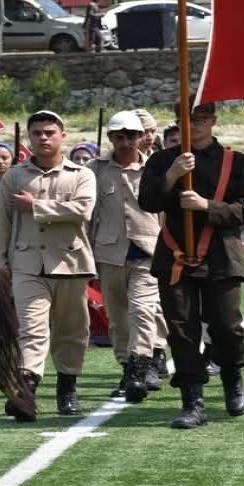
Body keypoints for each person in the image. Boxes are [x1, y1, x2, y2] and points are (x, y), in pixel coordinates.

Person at [139, 100, 244, 429]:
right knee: (181, 330)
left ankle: (233, 379)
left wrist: (207, 205)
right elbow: (147, 201)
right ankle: (192, 400)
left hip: (221, 255)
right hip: (175, 257)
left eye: (201, 118)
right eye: (188, 119)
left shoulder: (237, 162)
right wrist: (172, 175)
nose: (195, 124)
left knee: (226, 326)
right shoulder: (163, 160)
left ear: (213, 120)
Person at [0, 110, 96, 417]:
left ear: (62, 136)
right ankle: (26, 389)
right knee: (32, 328)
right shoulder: (15, 176)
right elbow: (0, 223)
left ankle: (67, 388)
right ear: (29, 138)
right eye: (37, 133)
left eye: (49, 132)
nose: (43, 138)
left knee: (71, 331)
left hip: (71, 262)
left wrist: (34, 205)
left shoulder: (82, 174)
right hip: (26, 262)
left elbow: (82, 209)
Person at [90, 111, 166, 403]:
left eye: (131, 136)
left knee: (143, 310)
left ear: (142, 137)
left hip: (148, 251)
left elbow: (165, 213)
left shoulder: (155, 169)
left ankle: (140, 366)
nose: (126, 143)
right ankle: (127, 366)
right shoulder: (95, 170)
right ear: (111, 138)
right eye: (119, 137)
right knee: (118, 319)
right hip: (109, 252)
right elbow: (89, 215)